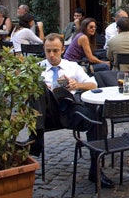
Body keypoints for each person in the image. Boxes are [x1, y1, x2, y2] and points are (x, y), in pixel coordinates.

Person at [30, 33, 115, 189]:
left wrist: (77, 85)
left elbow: (93, 84)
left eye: (55, 50)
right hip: (46, 114)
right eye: (48, 51)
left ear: (63, 49)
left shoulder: (72, 66)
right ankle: (36, 137)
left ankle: (95, 171)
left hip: (69, 109)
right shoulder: (37, 68)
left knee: (96, 119)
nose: (51, 55)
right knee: (38, 85)